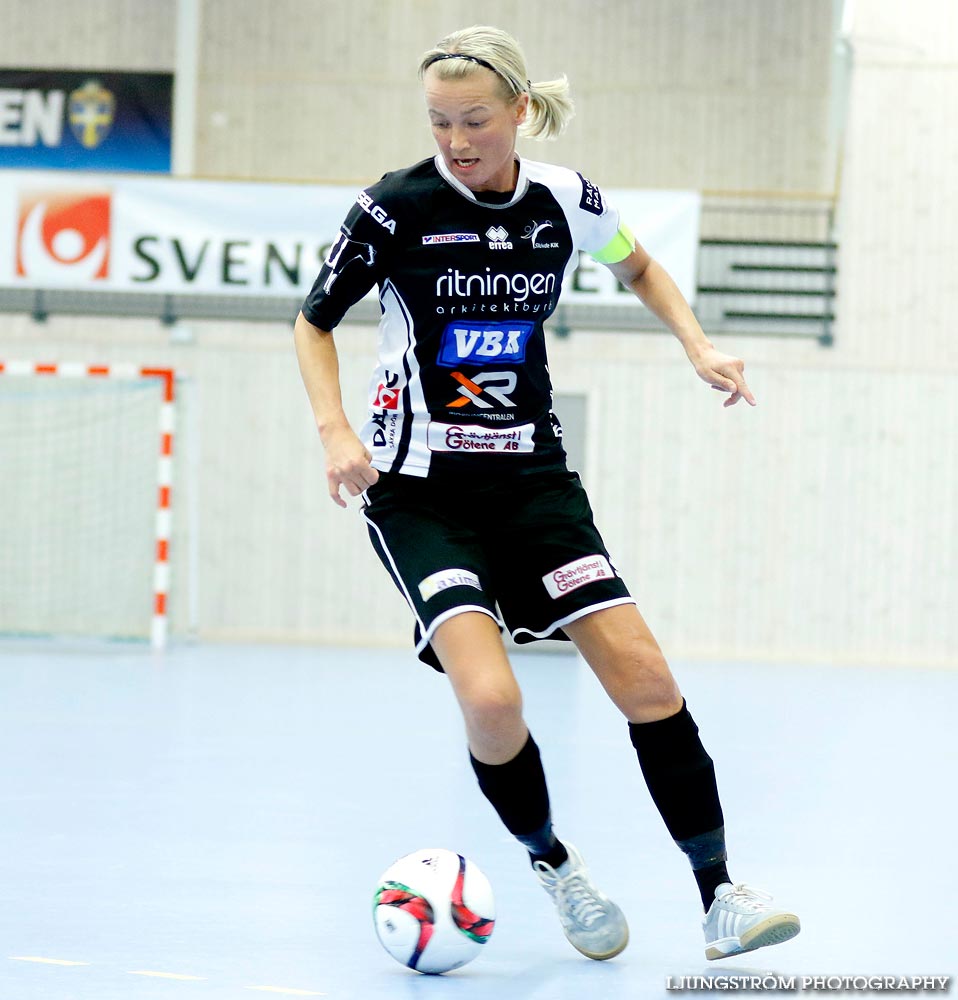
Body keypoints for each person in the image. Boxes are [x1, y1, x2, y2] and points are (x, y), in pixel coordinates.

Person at [294, 24, 800, 963]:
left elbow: (639, 263)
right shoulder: (391, 209)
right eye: (440, 122)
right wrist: (335, 432)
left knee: (646, 679)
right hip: (420, 492)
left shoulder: (566, 199)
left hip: (535, 485)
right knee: (491, 702)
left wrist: (698, 343)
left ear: (520, 112)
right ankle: (554, 866)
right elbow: (313, 320)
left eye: (475, 119)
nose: (456, 138)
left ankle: (720, 894)